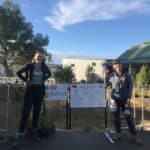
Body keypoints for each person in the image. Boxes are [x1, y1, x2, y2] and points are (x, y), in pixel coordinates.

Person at [13, 51, 51, 147]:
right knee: (25, 113)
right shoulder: (29, 66)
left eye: (41, 57)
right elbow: (18, 73)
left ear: (42, 59)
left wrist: (43, 80)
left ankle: (34, 132)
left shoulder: (44, 67)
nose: (39, 58)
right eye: (38, 56)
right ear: (35, 57)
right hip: (30, 90)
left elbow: (49, 74)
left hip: (39, 91)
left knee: (36, 112)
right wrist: (26, 80)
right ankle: (19, 136)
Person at [107, 59, 141, 145]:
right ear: (114, 67)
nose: (117, 67)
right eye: (116, 66)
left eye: (119, 65)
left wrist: (129, 98)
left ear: (121, 65)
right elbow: (106, 85)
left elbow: (130, 87)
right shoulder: (111, 76)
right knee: (116, 118)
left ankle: (134, 136)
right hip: (114, 100)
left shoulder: (127, 76)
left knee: (128, 118)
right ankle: (118, 134)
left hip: (124, 101)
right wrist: (105, 77)